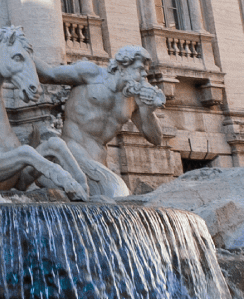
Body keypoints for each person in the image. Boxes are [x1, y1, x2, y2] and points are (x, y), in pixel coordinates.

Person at [35, 46, 166, 199]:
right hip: (72, 152)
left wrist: (148, 109)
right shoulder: (92, 73)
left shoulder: (133, 99)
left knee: (115, 196)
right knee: (115, 191)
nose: (144, 75)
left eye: (146, 71)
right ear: (123, 65)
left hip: (99, 163)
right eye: (140, 69)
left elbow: (156, 139)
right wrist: (22, 52)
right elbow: (48, 74)